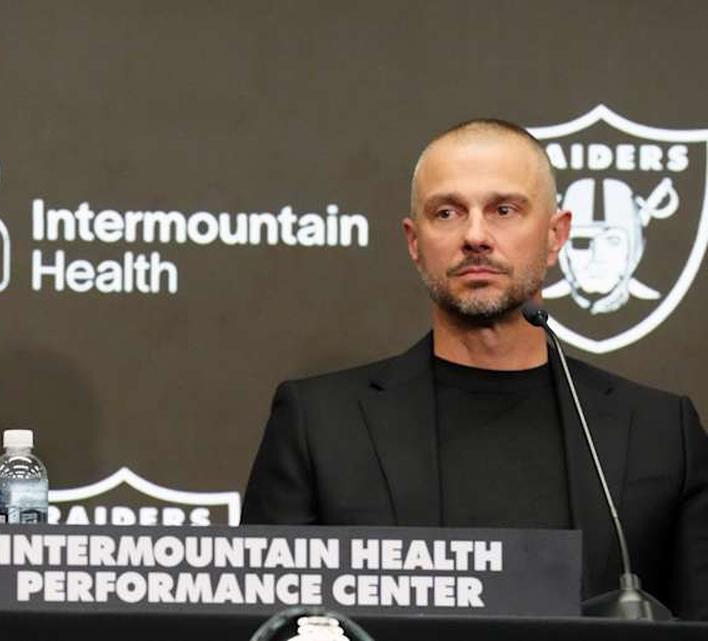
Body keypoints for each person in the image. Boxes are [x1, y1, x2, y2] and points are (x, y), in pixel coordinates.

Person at [242, 119, 708, 619]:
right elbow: (266, 626)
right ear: (414, 241)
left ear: (556, 235)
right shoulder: (319, 425)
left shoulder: (660, 432)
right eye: (447, 212)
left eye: (504, 210)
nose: (476, 236)